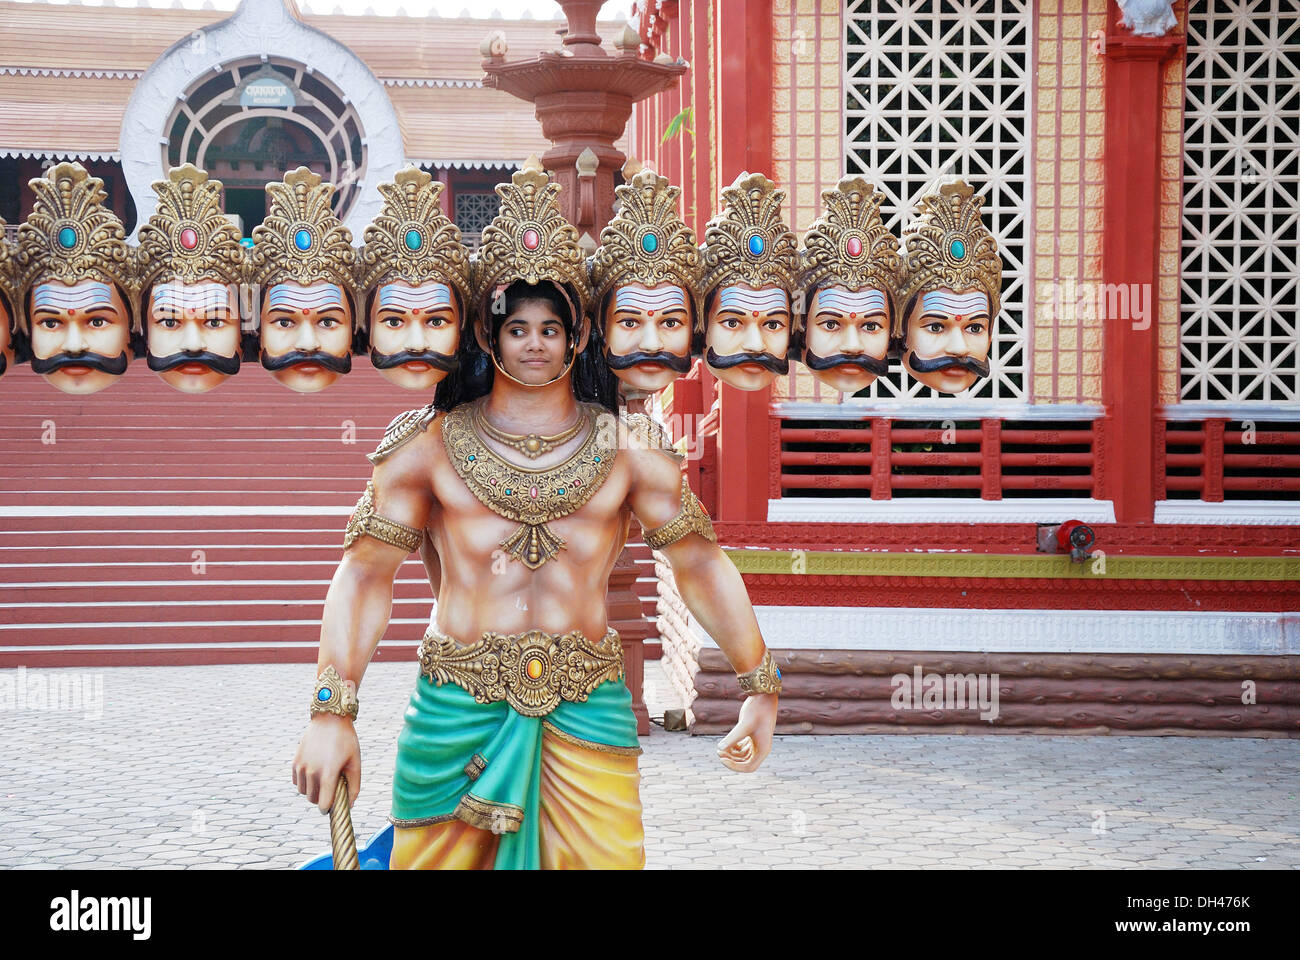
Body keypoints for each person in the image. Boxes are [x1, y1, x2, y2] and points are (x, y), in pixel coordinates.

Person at [291, 159, 781, 869]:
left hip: (588, 707)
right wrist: (332, 712)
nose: (534, 343)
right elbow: (365, 576)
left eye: (551, 328)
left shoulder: (630, 448)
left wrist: (757, 681)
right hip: (457, 710)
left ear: (578, 338)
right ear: (488, 339)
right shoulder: (425, 448)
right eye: (516, 328)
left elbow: (699, 561)